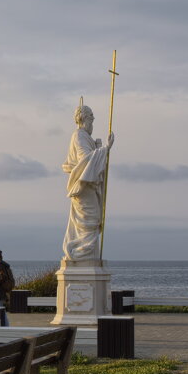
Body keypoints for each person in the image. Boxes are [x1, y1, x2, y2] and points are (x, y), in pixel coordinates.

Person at [61, 105, 114, 262]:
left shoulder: (85, 137)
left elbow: (90, 160)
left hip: (88, 186)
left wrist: (98, 148)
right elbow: (85, 160)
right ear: (84, 118)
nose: (93, 121)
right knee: (90, 219)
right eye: (91, 117)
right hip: (83, 185)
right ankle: (80, 253)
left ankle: (86, 255)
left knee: (94, 218)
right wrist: (105, 149)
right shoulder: (79, 135)